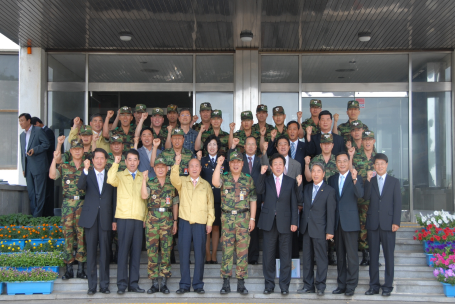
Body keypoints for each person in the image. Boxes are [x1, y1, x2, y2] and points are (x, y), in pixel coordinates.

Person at [212, 151, 257, 295]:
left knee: (243, 251)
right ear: (229, 164)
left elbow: (253, 200)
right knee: (227, 250)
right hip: (227, 219)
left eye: (238, 162)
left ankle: (241, 283)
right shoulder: (224, 178)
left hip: (243, 218)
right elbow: (214, 182)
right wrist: (218, 165)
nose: (236, 164)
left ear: (242, 164)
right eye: (233, 162)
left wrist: (252, 219)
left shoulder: (248, 179)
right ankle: (226, 282)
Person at [170, 155, 214, 294]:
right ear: (187, 169)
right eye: (191, 166)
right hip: (185, 222)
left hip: (200, 223)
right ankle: (184, 284)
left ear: (201, 169)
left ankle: (198, 284)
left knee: (200, 254)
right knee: (183, 254)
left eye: (197, 166)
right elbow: (173, 179)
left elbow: (210, 206)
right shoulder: (182, 181)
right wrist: (176, 164)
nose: (194, 168)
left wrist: (210, 222)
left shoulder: (205, 185)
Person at [256, 154, 298, 295]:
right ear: (271, 166)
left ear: (284, 166)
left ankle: (284, 286)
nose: (278, 166)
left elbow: (294, 204)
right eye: (275, 164)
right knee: (268, 255)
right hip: (269, 222)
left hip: (286, 222)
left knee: (286, 255)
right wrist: (261, 174)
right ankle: (269, 285)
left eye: (281, 163)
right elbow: (258, 191)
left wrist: (294, 221)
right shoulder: (266, 180)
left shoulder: (290, 181)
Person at [107, 149, 147, 295]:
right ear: (125, 161)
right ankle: (121, 284)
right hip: (123, 218)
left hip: (138, 218)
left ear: (138, 161)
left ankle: (134, 284)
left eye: (134, 159)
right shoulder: (119, 175)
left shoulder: (143, 176)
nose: (132, 162)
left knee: (136, 252)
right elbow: (110, 180)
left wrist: (145, 218)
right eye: (129, 159)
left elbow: (146, 199)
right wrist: (115, 164)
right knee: (123, 252)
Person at [77, 148, 115, 295]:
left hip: (106, 218)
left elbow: (114, 200)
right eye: (96, 158)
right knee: (91, 253)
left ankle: (104, 285)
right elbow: (80, 187)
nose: (99, 161)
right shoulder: (88, 173)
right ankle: (92, 287)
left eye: (102, 158)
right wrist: (85, 170)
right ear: (92, 160)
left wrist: (114, 220)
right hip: (90, 219)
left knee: (105, 253)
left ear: (106, 160)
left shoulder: (111, 175)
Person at [363, 153, 402, 297]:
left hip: (388, 224)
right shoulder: (370, 180)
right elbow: (365, 197)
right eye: (377, 164)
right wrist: (367, 181)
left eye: (382, 163)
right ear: (374, 165)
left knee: (388, 256)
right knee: (373, 257)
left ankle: (387, 286)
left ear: (386, 165)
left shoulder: (394, 181)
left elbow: (397, 203)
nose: (379, 166)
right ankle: (374, 286)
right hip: (373, 224)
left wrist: (396, 222)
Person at [49, 139, 87, 280]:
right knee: (68, 237)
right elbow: (52, 175)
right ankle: (69, 269)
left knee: (82, 236)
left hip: (83, 204)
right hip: (67, 206)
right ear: (70, 151)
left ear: (83, 151)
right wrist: (54, 159)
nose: (77, 151)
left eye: (79, 148)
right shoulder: (65, 166)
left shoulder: (87, 166)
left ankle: (82, 269)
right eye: (74, 149)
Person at [141, 157, 179, 294]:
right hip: (152, 219)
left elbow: (175, 203)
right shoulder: (150, 182)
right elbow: (144, 197)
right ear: (154, 169)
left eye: (163, 167)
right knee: (152, 251)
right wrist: (143, 180)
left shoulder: (171, 183)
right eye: (158, 167)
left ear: (167, 168)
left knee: (166, 251)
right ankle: (153, 282)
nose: (161, 169)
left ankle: (163, 282)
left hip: (167, 219)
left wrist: (175, 221)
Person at [328, 152, 363, 296]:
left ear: (349, 162)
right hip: (337, 223)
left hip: (350, 223)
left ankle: (351, 285)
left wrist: (354, 179)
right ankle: (341, 284)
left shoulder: (356, 177)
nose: (342, 164)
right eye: (339, 161)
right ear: (336, 163)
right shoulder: (332, 179)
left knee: (352, 256)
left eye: (344, 161)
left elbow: (360, 194)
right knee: (340, 256)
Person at [262, 136, 303, 259]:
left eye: (285, 144)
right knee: (270, 251)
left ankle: (285, 278)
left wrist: (295, 218)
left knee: (286, 251)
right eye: (280, 144)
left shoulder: (295, 166)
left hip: (287, 216)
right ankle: (269, 277)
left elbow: (295, 197)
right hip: (271, 216)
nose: (278, 166)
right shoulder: (268, 175)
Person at [298, 162, 336, 296]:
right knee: (307, 259)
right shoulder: (307, 188)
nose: (315, 173)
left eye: (318, 171)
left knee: (321, 259)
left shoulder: (329, 190)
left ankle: (320, 286)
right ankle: (308, 285)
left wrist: (330, 231)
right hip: (306, 228)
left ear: (323, 174)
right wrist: (298, 186)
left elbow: (331, 213)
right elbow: (299, 201)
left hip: (321, 229)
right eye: (313, 171)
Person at [229, 137, 263, 265]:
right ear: (244, 146)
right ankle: (238, 257)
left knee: (252, 231)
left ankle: (253, 257)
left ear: (256, 147)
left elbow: (266, 180)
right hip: (238, 201)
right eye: (248, 144)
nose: (250, 146)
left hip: (256, 200)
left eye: (253, 144)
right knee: (238, 232)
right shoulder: (238, 160)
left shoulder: (261, 161)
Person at [198, 135, 230, 264]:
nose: (212, 147)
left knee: (216, 227)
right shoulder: (202, 160)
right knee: (206, 227)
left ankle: (215, 253)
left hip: (219, 198)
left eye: (214, 144)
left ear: (218, 147)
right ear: (206, 147)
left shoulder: (224, 161)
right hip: (204, 199)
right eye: (209, 144)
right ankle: (207, 254)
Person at [352, 130, 377, 265]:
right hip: (361, 199)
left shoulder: (378, 159)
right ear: (361, 141)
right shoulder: (356, 157)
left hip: (375, 199)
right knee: (362, 226)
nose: (367, 142)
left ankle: (373, 254)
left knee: (374, 226)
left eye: (370, 139)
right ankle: (365, 254)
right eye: (365, 139)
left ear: (374, 141)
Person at [19, 113, 50, 217]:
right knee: (31, 193)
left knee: (39, 193)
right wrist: (24, 167)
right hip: (28, 168)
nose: (21, 123)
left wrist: (35, 150)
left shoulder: (38, 130)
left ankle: (37, 217)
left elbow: (46, 144)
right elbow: (22, 153)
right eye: (19, 121)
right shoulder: (22, 135)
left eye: (22, 120)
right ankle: (34, 215)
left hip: (39, 166)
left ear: (29, 121)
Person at [31, 116, 55, 217]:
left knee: (48, 190)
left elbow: (48, 147)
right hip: (41, 166)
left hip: (48, 164)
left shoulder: (47, 131)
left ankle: (48, 214)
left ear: (37, 123)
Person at [134, 112, 162, 179]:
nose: (146, 138)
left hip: (156, 184)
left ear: (153, 137)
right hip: (141, 183)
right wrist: (142, 119)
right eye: (144, 135)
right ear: (140, 138)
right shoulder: (137, 152)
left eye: (149, 135)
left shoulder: (159, 152)